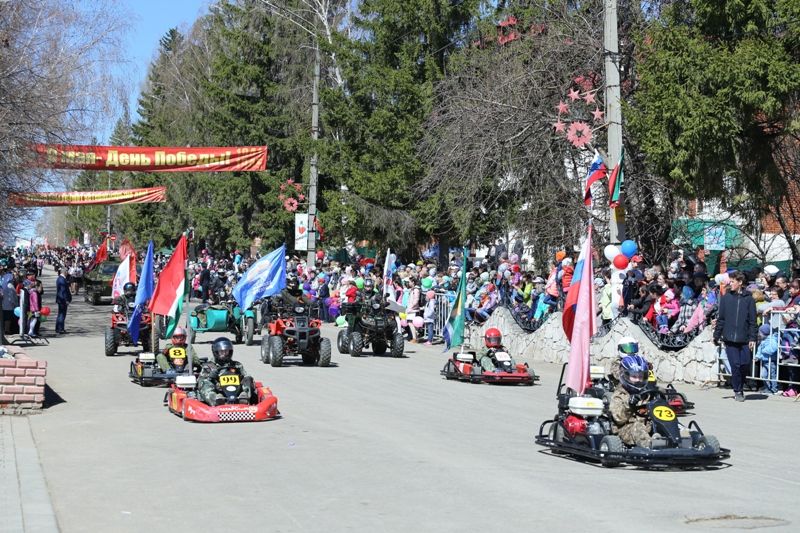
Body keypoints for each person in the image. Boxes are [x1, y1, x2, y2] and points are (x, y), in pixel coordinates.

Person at [713, 271, 757, 402]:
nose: (730, 284)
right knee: (735, 365)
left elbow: (753, 321)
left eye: (732, 282)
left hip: (744, 338)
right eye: (730, 281)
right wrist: (716, 335)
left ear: (740, 283)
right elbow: (721, 318)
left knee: (745, 364)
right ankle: (738, 390)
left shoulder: (749, 299)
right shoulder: (726, 297)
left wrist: (752, 338)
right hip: (729, 338)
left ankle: (740, 384)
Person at [609, 354, 652, 448]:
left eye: (641, 376)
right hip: (626, 429)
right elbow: (619, 419)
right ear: (625, 375)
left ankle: (683, 442)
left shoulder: (647, 393)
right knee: (638, 427)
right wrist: (629, 404)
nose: (638, 380)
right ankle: (651, 447)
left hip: (647, 426)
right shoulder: (619, 394)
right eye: (634, 376)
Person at [197, 337, 254, 406]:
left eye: (226, 351)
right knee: (205, 383)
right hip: (218, 391)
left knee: (248, 378)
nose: (224, 354)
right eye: (221, 352)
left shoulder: (237, 365)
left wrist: (241, 376)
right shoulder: (208, 366)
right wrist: (210, 377)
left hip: (236, 390)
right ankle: (216, 400)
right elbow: (200, 382)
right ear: (216, 352)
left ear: (230, 352)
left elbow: (245, 376)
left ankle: (244, 398)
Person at [55, 268, 71, 334]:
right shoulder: (61, 279)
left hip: (61, 299)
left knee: (60, 314)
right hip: (62, 299)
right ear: (65, 272)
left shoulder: (61, 278)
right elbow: (63, 291)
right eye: (67, 271)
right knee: (62, 314)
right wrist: (66, 299)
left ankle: (58, 328)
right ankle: (60, 328)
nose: (67, 273)